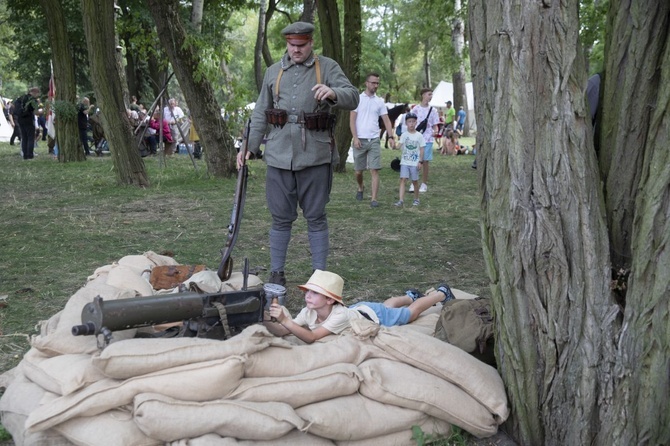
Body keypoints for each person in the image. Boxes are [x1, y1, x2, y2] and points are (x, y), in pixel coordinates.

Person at [238, 21, 359, 287]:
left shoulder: (327, 67)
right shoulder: (273, 72)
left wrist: (333, 93)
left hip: (315, 154)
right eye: (292, 45)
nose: (296, 50)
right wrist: (249, 145)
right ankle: (277, 272)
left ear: (311, 43)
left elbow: (353, 96)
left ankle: (320, 276)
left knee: (315, 216)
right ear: (287, 44)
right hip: (279, 155)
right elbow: (261, 112)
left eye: (301, 45)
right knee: (280, 218)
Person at [265, 270, 456, 343]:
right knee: (384, 306)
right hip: (362, 309)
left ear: (330, 300)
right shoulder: (309, 311)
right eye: (307, 291)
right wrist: (263, 317)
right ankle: (408, 296)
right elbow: (282, 331)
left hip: (373, 316)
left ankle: (440, 293)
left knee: (410, 314)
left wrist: (284, 320)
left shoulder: (338, 316)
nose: (307, 295)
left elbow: (312, 337)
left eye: (314, 293)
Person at [350, 72, 396, 208]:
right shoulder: (357, 99)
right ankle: (360, 187)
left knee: (374, 169)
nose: (375, 85)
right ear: (367, 83)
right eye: (373, 82)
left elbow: (386, 120)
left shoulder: (379, 101)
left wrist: (391, 136)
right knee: (358, 171)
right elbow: (352, 120)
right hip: (360, 139)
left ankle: (374, 199)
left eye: (377, 83)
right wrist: (355, 137)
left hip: (374, 139)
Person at [410, 88, 440, 193]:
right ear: (423, 95)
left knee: (425, 161)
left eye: (431, 94)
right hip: (416, 138)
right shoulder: (415, 109)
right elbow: (411, 123)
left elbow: (436, 125)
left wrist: (435, 132)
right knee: (414, 160)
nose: (430, 96)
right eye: (429, 94)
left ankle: (424, 184)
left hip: (428, 138)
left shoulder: (434, 110)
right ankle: (414, 183)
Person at [394, 112, 424, 207]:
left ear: (416, 123)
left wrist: (420, 161)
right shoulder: (404, 135)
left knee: (415, 181)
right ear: (406, 123)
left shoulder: (419, 136)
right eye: (409, 121)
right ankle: (401, 200)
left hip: (414, 162)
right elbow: (399, 146)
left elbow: (422, 148)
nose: (411, 123)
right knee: (403, 179)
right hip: (405, 162)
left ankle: (416, 198)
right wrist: (394, 145)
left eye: (413, 122)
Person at [16, 87, 41, 160]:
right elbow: (35, 112)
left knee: (24, 137)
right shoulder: (32, 100)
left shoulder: (21, 98)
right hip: (29, 119)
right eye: (37, 93)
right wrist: (43, 111)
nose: (37, 95)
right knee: (30, 137)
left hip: (20, 119)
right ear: (35, 92)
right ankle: (30, 155)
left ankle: (25, 156)